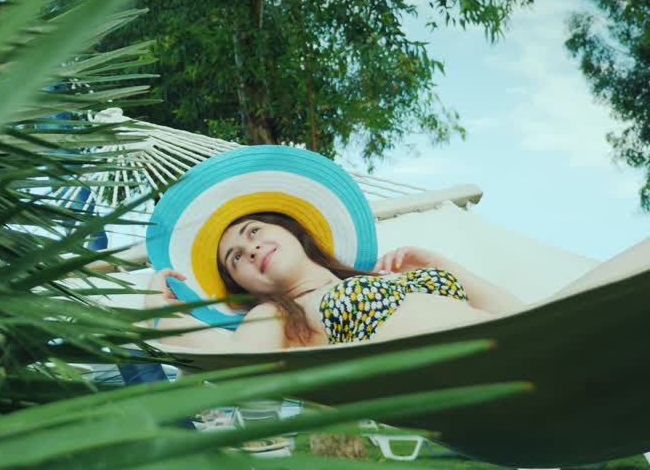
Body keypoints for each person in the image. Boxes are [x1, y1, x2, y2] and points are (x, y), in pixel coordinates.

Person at [140, 146, 650, 353]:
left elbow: (519, 314)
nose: (249, 251)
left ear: (293, 231)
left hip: (538, 334)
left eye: (252, 232)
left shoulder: (380, 280)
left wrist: (444, 265)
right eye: (235, 259)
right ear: (242, 286)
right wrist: (163, 316)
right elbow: (238, 367)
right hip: (501, 363)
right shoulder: (278, 314)